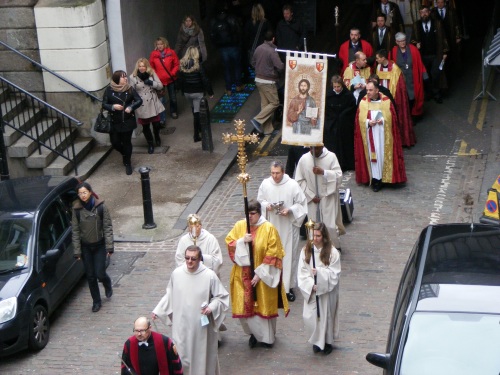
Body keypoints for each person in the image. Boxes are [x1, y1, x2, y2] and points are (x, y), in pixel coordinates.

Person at [152, 245, 229, 375]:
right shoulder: (177, 274)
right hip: (181, 326)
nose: (189, 261)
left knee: (201, 358)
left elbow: (221, 297)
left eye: (193, 259)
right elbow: (170, 294)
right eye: (187, 258)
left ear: (200, 259)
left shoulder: (209, 275)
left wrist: (211, 307)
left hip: (201, 328)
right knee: (181, 357)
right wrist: (159, 309)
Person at [226, 199, 289, 348]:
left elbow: (274, 252)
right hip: (243, 274)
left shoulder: (268, 229)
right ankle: (253, 334)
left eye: (252, 214)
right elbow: (229, 242)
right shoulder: (240, 225)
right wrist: (241, 241)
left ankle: (267, 338)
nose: (249, 217)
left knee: (263, 305)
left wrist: (260, 273)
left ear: (259, 213)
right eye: (247, 214)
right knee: (246, 308)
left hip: (264, 275)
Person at [257, 160, 307, 302]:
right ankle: (272, 285)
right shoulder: (266, 184)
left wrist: (290, 210)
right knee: (271, 255)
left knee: (288, 256)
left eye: (277, 173)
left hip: (288, 226)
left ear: (283, 172)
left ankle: (287, 287)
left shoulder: (292, 185)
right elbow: (260, 201)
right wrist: (267, 206)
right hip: (271, 225)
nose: (275, 176)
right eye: (272, 173)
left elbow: (301, 203)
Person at [354, 81, 407, 192]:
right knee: (374, 157)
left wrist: (382, 120)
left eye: (370, 90)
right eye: (367, 90)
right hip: (370, 135)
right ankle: (376, 179)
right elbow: (359, 120)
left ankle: (386, 178)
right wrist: (368, 122)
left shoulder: (386, 101)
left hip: (383, 135)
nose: (368, 92)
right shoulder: (363, 102)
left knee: (383, 155)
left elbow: (392, 118)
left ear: (377, 90)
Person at [298, 222, 341, 355]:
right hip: (312, 289)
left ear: (324, 236)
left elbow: (334, 273)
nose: (315, 239)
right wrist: (311, 284)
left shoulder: (332, 253)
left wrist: (320, 275)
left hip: (327, 292)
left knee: (326, 316)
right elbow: (302, 272)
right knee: (310, 317)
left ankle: (327, 342)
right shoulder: (306, 251)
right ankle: (317, 340)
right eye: (313, 235)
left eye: (318, 236)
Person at [72, 182, 113, 313]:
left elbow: (107, 227)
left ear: (90, 192)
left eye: (85, 192)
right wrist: (77, 251)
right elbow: (75, 231)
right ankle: (96, 301)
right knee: (90, 276)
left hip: (99, 245)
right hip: (86, 247)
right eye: (80, 193)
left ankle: (107, 283)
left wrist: (109, 247)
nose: (83, 195)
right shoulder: (77, 210)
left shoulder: (101, 207)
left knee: (100, 273)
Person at [295, 147, 345, 250]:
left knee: (329, 225)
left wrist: (324, 172)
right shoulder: (304, 159)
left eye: (317, 149)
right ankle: (314, 248)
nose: (314, 152)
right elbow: (299, 181)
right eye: (312, 149)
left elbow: (339, 176)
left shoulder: (331, 157)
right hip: (312, 199)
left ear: (321, 147)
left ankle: (333, 248)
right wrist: (311, 195)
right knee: (313, 225)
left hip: (328, 197)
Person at [102, 70, 142, 175]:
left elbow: (139, 100)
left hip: (127, 120)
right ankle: (125, 154)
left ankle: (128, 162)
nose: (125, 78)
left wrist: (131, 107)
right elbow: (104, 104)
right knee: (115, 143)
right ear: (116, 79)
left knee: (126, 142)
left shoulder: (130, 89)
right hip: (114, 121)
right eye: (123, 77)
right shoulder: (109, 90)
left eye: (125, 76)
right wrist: (112, 107)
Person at [375, 49, 416, 147]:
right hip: (381, 97)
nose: (376, 60)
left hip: (393, 97)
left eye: (377, 58)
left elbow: (400, 86)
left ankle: (401, 141)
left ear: (383, 58)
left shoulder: (394, 68)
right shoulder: (378, 67)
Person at [249, 30, 284, 136]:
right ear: (273, 39)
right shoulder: (272, 51)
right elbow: (280, 66)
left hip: (258, 80)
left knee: (266, 105)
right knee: (275, 103)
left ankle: (268, 130)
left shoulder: (258, 48)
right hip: (268, 81)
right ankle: (257, 120)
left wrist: (260, 69)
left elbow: (253, 62)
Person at [411, 5, 448, 103]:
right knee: (425, 76)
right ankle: (428, 93)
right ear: (419, 14)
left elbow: (443, 37)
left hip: (436, 54)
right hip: (422, 56)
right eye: (422, 12)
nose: (424, 14)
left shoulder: (437, 23)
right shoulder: (416, 25)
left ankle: (436, 94)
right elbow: (412, 40)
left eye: (426, 11)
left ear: (429, 12)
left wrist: (445, 51)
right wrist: (416, 44)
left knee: (435, 74)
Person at [129, 58, 165, 154]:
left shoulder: (152, 73)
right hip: (142, 104)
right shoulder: (133, 77)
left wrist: (151, 83)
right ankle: (150, 144)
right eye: (140, 66)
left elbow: (160, 85)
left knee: (156, 124)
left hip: (152, 102)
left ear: (146, 66)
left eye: (143, 66)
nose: (141, 68)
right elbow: (132, 91)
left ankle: (157, 136)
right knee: (145, 127)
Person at [178, 46, 214, 142]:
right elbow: (205, 79)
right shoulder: (198, 65)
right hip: (197, 92)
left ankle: (198, 128)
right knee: (197, 113)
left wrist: (182, 90)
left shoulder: (182, 64)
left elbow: (180, 80)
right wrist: (210, 92)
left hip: (187, 92)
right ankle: (196, 135)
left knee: (194, 109)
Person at [210, 2, 245, 96]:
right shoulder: (231, 18)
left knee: (226, 68)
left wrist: (216, 46)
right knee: (237, 66)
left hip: (222, 48)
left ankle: (228, 89)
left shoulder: (214, 20)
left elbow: (212, 35)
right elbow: (238, 30)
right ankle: (238, 85)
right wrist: (239, 42)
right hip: (233, 45)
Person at [324, 75, 357, 171]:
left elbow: (352, 109)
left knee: (345, 144)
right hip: (332, 124)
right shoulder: (328, 95)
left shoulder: (348, 95)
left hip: (344, 125)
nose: (337, 89)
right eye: (335, 87)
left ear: (341, 85)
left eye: (338, 87)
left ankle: (346, 164)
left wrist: (343, 115)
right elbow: (326, 110)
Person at [391, 32, 427, 118]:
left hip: (412, 77)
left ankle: (413, 114)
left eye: (404, 40)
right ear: (396, 42)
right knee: (404, 97)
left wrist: (424, 75)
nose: (403, 42)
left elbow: (419, 63)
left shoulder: (413, 49)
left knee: (413, 96)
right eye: (400, 41)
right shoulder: (394, 51)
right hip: (401, 79)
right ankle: (406, 116)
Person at [150, 37, 180, 121]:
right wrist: (156, 76)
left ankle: (173, 111)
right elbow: (151, 67)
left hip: (170, 79)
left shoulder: (171, 52)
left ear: (165, 44)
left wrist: (172, 73)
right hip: (159, 81)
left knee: (173, 98)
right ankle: (162, 118)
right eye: (158, 44)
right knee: (161, 99)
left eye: (161, 44)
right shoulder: (154, 54)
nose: (159, 46)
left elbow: (177, 64)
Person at [431, 0, 462, 82]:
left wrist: (458, 36)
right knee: (443, 56)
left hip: (450, 36)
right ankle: (445, 75)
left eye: (441, 2)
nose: (440, 4)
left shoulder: (451, 11)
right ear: (436, 3)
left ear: (444, 3)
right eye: (438, 2)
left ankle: (455, 73)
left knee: (453, 54)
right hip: (440, 38)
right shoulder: (433, 12)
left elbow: (456, 24)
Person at [243, 3, 271, 81]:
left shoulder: (248, 23)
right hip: (264, 48)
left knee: (256, 66)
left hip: (253, 48)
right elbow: (270, 35)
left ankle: (259, 78)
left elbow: (246, 36)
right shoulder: (266, 23)